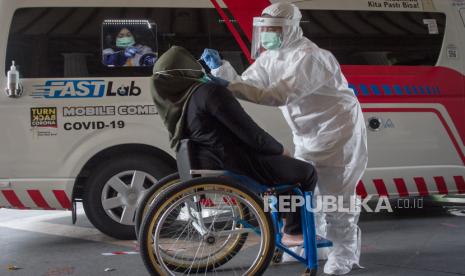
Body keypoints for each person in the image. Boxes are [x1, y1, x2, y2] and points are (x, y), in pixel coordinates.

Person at [200, 2, 368, 275]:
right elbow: (250, 83)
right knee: (306, 191)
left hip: (338, 132)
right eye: (264, 28)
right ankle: (315, 244)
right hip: (307, 132)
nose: (266, 33)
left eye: (273, 28)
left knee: (337, 197)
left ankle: (344, 252)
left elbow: (278, 94)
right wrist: (221, 71)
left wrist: (228, 84)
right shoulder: (272, 56)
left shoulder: (311, 58)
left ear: (290, 28)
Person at [151, 45, 318, 246]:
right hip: (233, 163)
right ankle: (293, 231)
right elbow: (250, 133)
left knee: (282, 171)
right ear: (187, 68)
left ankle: (282, 220)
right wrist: (281, 150)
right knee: (305, 172)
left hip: (209, 161)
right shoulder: (209, 92)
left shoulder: (179, 101)